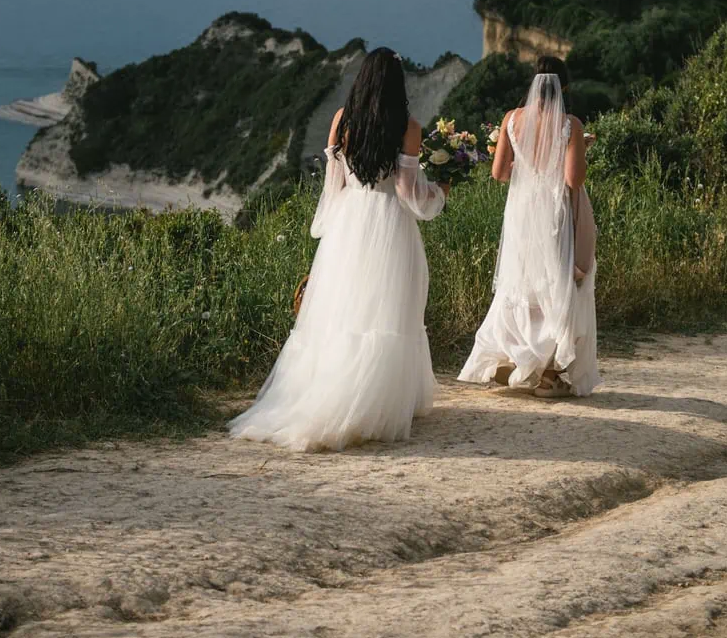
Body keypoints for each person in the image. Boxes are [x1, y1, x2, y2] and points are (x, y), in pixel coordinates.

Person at [229, 48, 447, 450]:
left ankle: (328, 393)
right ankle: (377, 402)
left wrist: (329, 227)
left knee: (344, 311)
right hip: (387, 225)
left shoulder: (341, 121)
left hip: (349, 223)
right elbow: (407, 193)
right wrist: (439, 194)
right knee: (387, 309)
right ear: (398, 85)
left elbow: (334, 185)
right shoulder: (408, 127)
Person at [457, 56, 599, 398]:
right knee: (557, 282)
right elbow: (572, 179)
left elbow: (499, 173)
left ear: (534, 84)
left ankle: (512, 357)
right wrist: (582, 148)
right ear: (563, 87)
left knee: (520, 282)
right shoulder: (570, 124)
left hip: (521, 211)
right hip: (554, 212)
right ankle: (550, 374)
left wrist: (524, 160)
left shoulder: (511, 119)